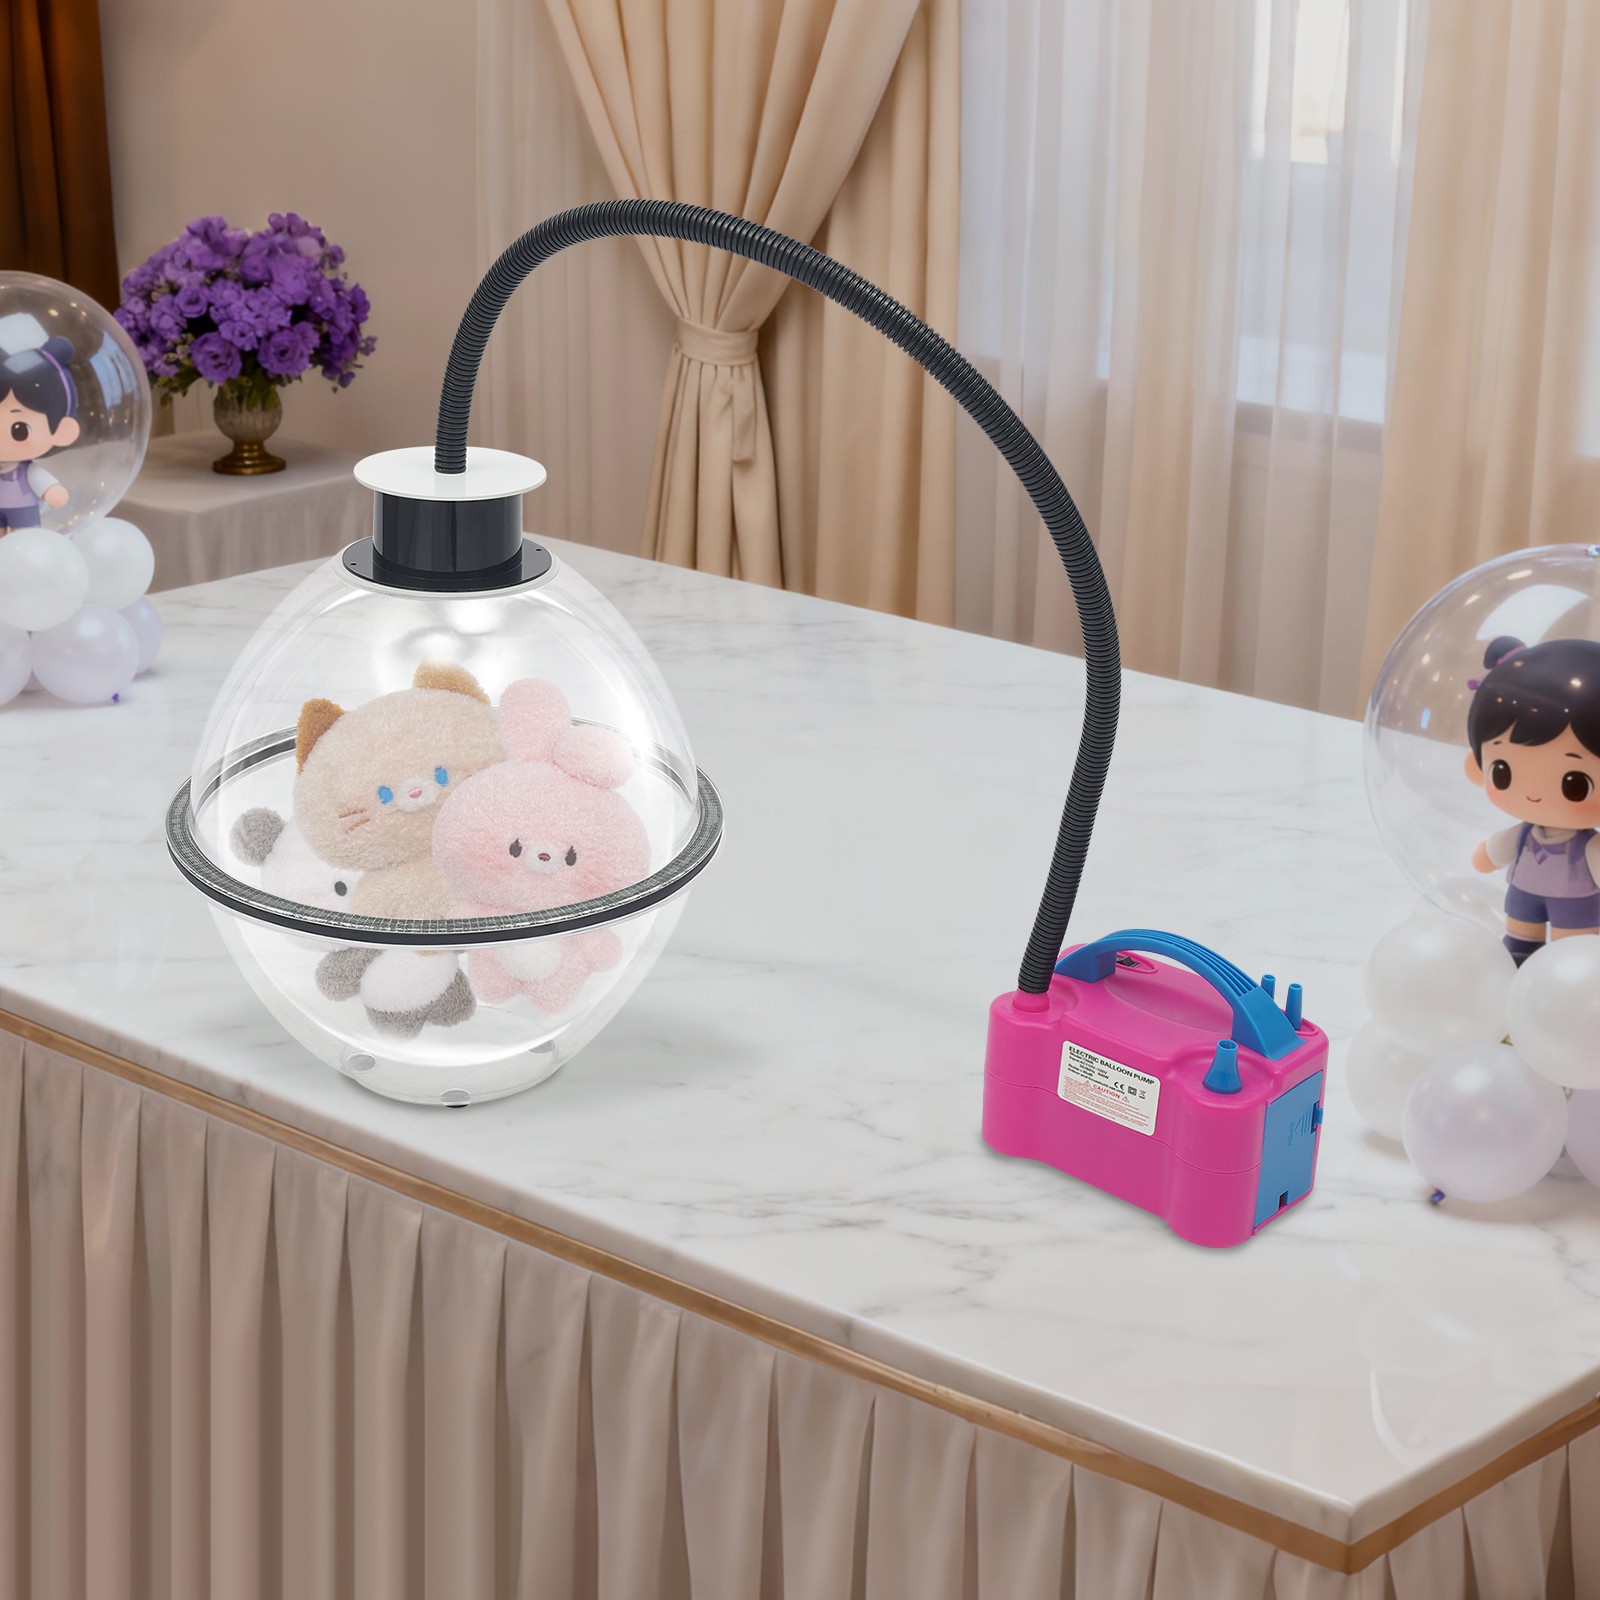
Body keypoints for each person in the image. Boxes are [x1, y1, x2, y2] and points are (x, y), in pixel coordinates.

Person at [1467, 634, 1600, 962]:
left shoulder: (1590, 847)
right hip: (1523, 897)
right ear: (1477, 766)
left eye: (1575, 784)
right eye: (1502, 771)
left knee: (1572, 954)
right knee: (1519, 942)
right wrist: (1486, 855)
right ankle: (1519, 957)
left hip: (1575, 904)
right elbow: (1491, 853)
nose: (1534, 794)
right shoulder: (1522, 833)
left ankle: (1569, 966)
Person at [0, 337, 79, 533]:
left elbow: (44, 483)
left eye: (19, 429)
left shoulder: (29, 471)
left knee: (25, 537)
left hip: (24, 510)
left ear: (61, 431)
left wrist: (51, 490)